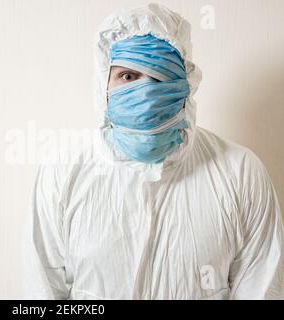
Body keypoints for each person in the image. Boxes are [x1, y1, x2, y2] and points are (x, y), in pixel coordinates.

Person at [22, 3, 284, 299]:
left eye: (161, 77)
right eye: (128, 76)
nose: (146, 94)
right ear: (103, 84)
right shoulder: (63, 169)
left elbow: (262, 289)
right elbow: (41, 292)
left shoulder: (240, 173)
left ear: (186, 83)